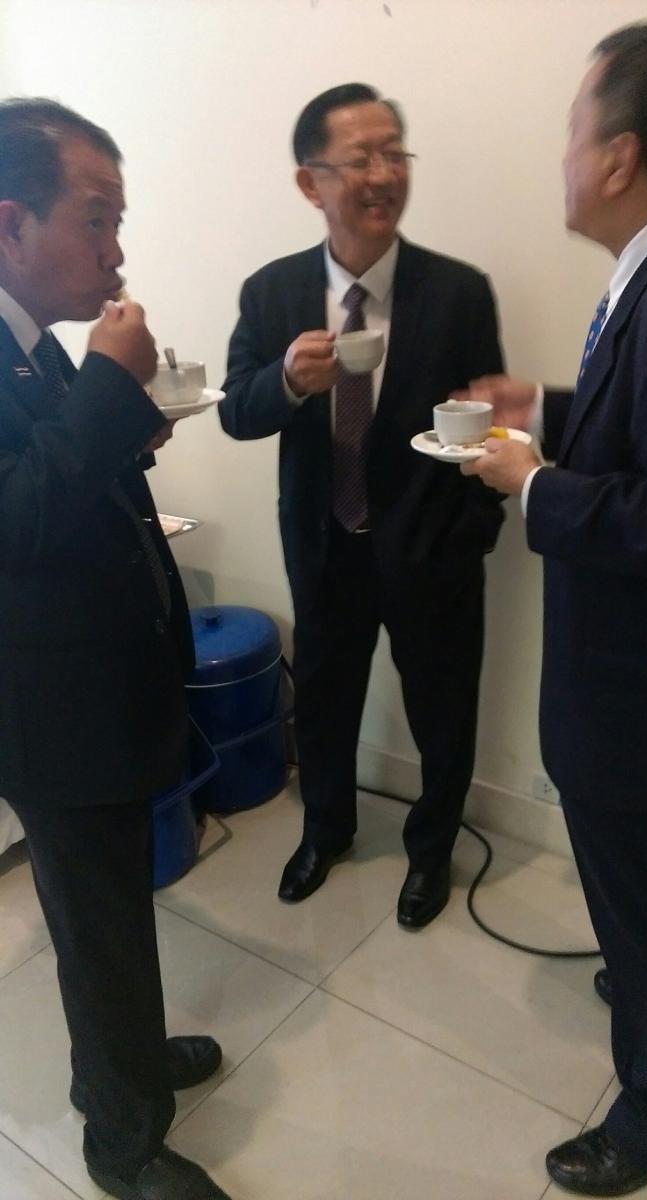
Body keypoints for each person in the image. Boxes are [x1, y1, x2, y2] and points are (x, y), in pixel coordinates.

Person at [0, 99, 230, 1200]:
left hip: (90, 684)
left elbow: (60, 475)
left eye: (117, 221)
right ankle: (122, 1141)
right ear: (10, 224)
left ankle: (126, 1062)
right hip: (44, 711)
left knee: (115, 906)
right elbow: (14, 522)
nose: (115, 250)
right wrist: (107, 386)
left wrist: (126, 418)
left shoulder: (33, 347)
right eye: (96, 218)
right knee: (95, 924)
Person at [461, 22, 647, 1196]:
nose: (562, 158)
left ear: (620, 156)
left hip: (641, 698)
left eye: (572, 133)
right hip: (635, 687)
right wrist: (546, 404)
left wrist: (532, 482)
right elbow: (646, 428)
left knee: (644, 906)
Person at [220, 83, 505, 929]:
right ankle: (326, 831)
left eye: (394, 154)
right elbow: (236, 412)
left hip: (432, 550)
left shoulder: (458, 291)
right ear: (310, 182)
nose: (383, 175)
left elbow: (484, 421)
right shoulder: (271, 292)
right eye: (359, 159)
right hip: (323, 546)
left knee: (443, 713)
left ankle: (430, 852)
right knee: (323, 702)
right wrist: (285, 382)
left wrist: (470, 535)